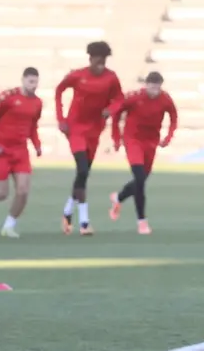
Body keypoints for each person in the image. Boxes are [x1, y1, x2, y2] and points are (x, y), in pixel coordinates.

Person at [55, 41, 123, 235]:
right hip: (76, 128)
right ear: (91, 59)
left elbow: (119, 99)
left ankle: (68, 211)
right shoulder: (78, 75)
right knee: (83, 169)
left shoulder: (111, 78)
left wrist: (110, 110)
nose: (101, 64)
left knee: (82, 174)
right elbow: (59, 90)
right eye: (98, 60)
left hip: (95, 130)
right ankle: (84, 222)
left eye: (104, 61)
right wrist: (61, 119)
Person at [0, 67, 43, 238]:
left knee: (23, 190)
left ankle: (9, 225)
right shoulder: (8, 97)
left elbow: (33, 125)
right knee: (1, 194)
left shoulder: (37, 103)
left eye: (36, 82)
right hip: (2, 151)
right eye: (30, 81)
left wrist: (37, 144)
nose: (33, 85)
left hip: (21, 152)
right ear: (23, 80)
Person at [108, 71, 177, 234]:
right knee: (139, 178)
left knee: (141, 179)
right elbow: (116, 114)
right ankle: (142, 222)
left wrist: (168, 137)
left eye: (157, 87)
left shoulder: (165, 99)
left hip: (151, 142)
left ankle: (119, 198)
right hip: (133, 140)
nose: (154, 90)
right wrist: (116, 138)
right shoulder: (134, 97)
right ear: (146, 85)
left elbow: (173, 117)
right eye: (151, 87)